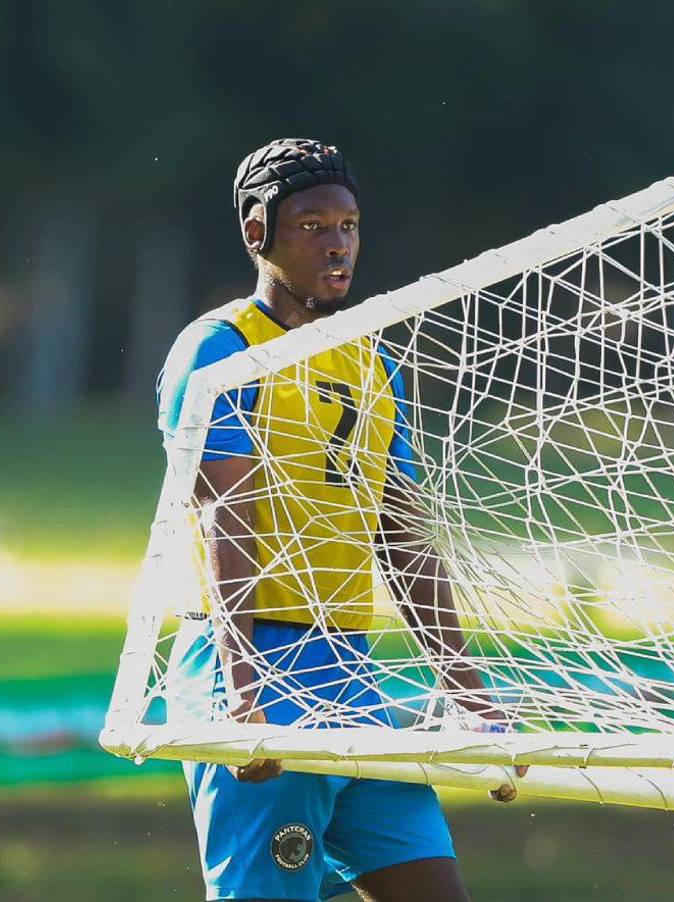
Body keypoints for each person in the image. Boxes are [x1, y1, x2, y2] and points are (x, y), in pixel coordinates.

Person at [158, 138, 517, 902]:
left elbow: (403, 535)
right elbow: (228, 514)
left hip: (352, 675)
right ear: (259, 232)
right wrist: (241, 689)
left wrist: (467, 688)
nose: (337, 244)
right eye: (313, 224)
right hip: (257, 660)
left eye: (348, 225)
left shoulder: (371, 359)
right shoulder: (218, 351)